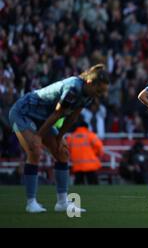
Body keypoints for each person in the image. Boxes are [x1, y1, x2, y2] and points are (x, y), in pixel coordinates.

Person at [8, 64, 109, 213]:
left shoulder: (88, 95)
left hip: (43, 118)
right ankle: (31, 203)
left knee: (63, 153)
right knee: (35, 151)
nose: (99, 94)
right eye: (99, 90)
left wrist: (59, 137)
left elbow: (72, 117)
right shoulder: (73, 88)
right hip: (24, 112)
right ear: (89, 82)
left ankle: (62, 203)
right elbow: (57, 114)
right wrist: (38, 136)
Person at [66, 121, 104, 185]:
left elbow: (66, 149)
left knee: (78, 187)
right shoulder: (91, 135)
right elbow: (99, 148)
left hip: (77, 165)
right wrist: (96, 154)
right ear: (87, 127)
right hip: (90, 165)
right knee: (94, 186)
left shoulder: (71, 137)